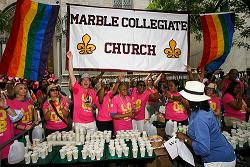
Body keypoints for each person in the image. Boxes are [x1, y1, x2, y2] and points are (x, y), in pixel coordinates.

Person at [176, 81, 236, 167]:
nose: (181, 100)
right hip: (223, 153)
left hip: (219, 160)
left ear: (189, 100)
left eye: (183, 98)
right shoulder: (200, 109)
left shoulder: (200, 118)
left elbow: (203, 149)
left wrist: (185, 138)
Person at [67, 51, 99, 133]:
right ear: (81, 82)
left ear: (89, 82)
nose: (86, 81)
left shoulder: (92, 92)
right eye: (84, 80)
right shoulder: (77, 89)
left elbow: (96, 105)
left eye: (87, 79)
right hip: (79, 123)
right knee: (80, 143)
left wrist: (92, 105)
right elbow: (71, 74)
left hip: (91, 122)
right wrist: (70, 59)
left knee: (92, 143)